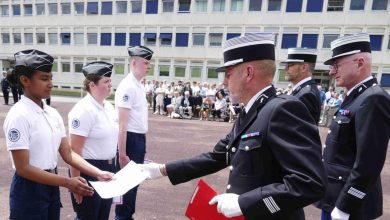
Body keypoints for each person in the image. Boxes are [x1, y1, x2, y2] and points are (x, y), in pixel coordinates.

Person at [139, 33, 326, 219]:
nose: (224, 82)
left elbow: (308, 183)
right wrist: (161, 170)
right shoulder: (251, 112)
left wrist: (244, 203)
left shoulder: (283, 110)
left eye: (228, 74)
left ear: (248, 73)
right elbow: (217, 156)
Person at [2, 49, 113, 220]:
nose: (50, 83)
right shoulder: (18, 116)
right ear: (25, 80)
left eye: (51, 78)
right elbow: (23, 168)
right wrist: (68, 182)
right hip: (28, 189)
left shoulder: (52, 114)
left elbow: (68, 153)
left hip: (50, 184)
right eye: (44, 78)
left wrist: (98, 172)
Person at [317, 33, 390, 220]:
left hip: (350, 206)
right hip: (335, 198)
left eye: (337, 65)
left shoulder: (373, 99)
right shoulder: (355, 97)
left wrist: (346, 205)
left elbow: (369, 164)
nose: (332, 72)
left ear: (359, 62)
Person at [68, 61, 118, 220]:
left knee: (102, 216)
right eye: (106, 81)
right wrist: (76, 182)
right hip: (88, 170)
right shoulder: (83, 110)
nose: (110, 85)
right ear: (92, 85)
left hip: (108, 168)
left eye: (110, 81)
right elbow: (73, 151)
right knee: (87, 216)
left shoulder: (108, 107)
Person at [114, 45, 153, 220]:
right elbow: (122, 124)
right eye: (145, 63)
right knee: (126, 185)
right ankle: (123, 217)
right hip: (130, 139)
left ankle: (127, 216)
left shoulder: (137, 85)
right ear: (134, 62)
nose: (148, 66)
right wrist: (122, 154)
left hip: (137, 139)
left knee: (133, 184)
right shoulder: (128, 86)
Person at [282, 48, 321, 123]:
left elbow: (299, 131)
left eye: (290, 65)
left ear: (304, 68)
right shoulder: (302, 90)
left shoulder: (307, 94)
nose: (285, 69)